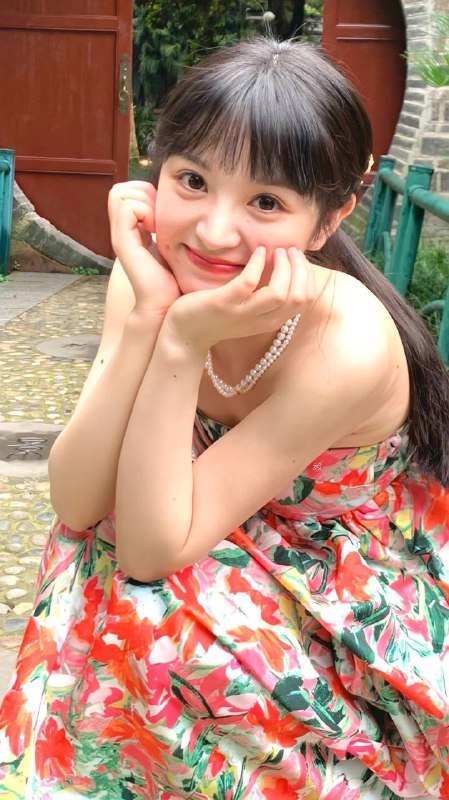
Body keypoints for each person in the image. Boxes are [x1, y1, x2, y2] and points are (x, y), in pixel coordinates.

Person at [1, 36, 449, 800]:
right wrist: (147, 316)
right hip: (207, 522)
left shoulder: (345, 342)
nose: (212, 231)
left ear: (327, 219)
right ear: (154, 170)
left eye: (265, 202)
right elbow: (75, 502)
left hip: (337, 573)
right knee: (95, 545)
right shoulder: (153, 274)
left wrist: (182, 340)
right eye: (192, 180)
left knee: (148, 609)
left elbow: (151, 554)